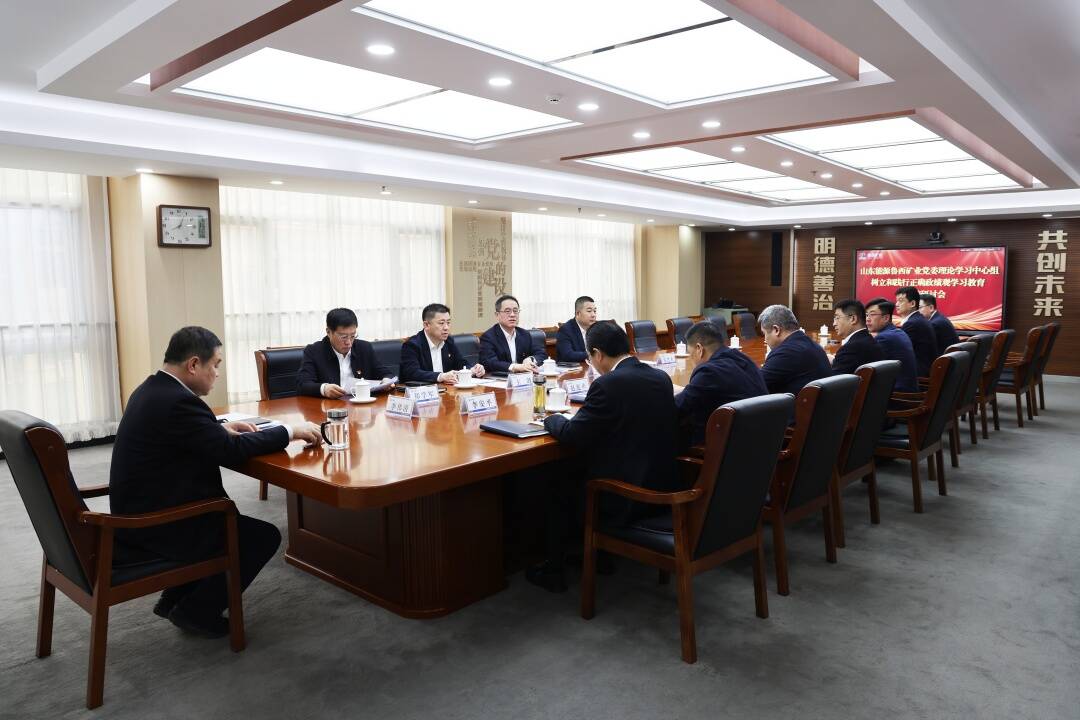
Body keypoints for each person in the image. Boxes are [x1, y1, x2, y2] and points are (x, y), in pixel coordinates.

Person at [109, 327, 321, 638]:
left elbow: (186, 435)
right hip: (157, 524)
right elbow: (230, 451)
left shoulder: (152, 389)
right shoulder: (179, 402)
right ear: (194, 364)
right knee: (261, 537)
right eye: (216, 365)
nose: (218, 374)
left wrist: (218, 428)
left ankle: (174, 600)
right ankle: (195, 611)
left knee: (234, 525)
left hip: (138, 509)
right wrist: (290, 432)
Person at [530, 322, 679, 592]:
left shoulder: (608, 384)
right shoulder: (660, 377)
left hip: (623, 497)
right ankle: (597, 556)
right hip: (660, 485)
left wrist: (551, 418)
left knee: (552, 480)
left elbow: (573, 434)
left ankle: (554, 570)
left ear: (597, 354)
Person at [673, 320, 767, 446]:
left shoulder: (709, 372)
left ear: (699, 349)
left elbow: (676, 408)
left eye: (691, 354)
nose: (691, 360)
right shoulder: (744, 359)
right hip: (760, 440)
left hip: (728, 446)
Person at [297, 308, 380, 398]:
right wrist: (324, 389)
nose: (349, 342)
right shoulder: (314, 351)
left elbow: (384, 373)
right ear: (329, 332)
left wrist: (387, 380)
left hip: (361, 403)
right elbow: (303, 384)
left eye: (353, 336)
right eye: (344, 337)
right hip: (330, 405)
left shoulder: (364, 348)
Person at [400, 303, 485, 384]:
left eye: (448, 322)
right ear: (426, 325)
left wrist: (473, 369)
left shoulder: (448, 341)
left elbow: (461, 363)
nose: (446, 327)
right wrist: (441, 376)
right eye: (441, 323)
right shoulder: (412, 345)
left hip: (447, 390)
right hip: (423, 391)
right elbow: (412, 373)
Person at [759, 304, 832, 396]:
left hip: (796, 405)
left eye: (764, 333)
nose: (765, 339)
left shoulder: (786, 352)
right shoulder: (812, 344)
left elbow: (755, 386)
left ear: (776, 330)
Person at [479, 294, 547, 373]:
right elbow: (490, 362)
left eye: (515, 311)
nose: (512, 315)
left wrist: (530, 359)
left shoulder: (524, 334)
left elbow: (541, 354)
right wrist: (515, 367)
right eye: (507, 311)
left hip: (525, 377)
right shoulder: (488, 337)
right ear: (497, 315)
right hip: (502, 378)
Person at [865, 297, 918, 392]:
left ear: (886, 318)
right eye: (866, 315)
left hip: (899, 394)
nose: (867, 319)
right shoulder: (898, 332)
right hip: (908, 387)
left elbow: (867, 365)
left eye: (872, 315)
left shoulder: (884, 338)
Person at [831, 299, 885, 375]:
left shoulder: (851, 348)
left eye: (837, 318)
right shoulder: (867, 339)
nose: (834, 324)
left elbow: (833, 379)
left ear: (853, 319)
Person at [895, 287, 939, 377]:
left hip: (919, 372)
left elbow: (899, 351)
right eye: (896, 301)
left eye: (900, 301)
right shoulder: (917, 319)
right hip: (926, 368)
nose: (896, 304)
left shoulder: (912, 324)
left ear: (912, 303)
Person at [555, 295, 597, 363]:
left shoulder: (596, 328)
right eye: (589, 311)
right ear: (577, 313)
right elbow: (568, 355)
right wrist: (594, 355)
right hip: (572, 368)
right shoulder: (565, 330)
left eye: (595, 311)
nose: (593, 315)